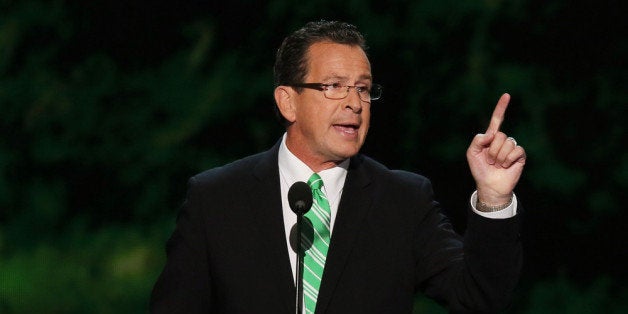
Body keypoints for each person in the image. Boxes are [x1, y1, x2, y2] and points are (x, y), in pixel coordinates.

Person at [150, 20, 526, 314]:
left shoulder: (403, 200)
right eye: (333, 86)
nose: (355, 103)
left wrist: (494, 197)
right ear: (288, 102)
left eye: (363, 89)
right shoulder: (215, 199)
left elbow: (479, 298)